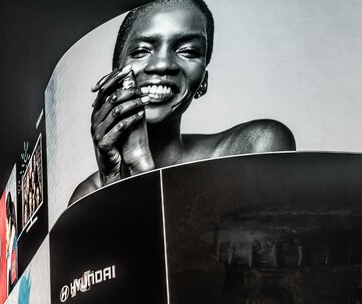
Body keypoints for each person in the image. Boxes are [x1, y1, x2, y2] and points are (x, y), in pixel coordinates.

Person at [71, 0, 295, 203]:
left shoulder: (253, 147)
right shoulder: (90, 192)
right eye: (141, 51)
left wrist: (141, 172)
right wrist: (114, 181)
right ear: (114, 75)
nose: (162, 64)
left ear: (203, 81)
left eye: (188, 51)